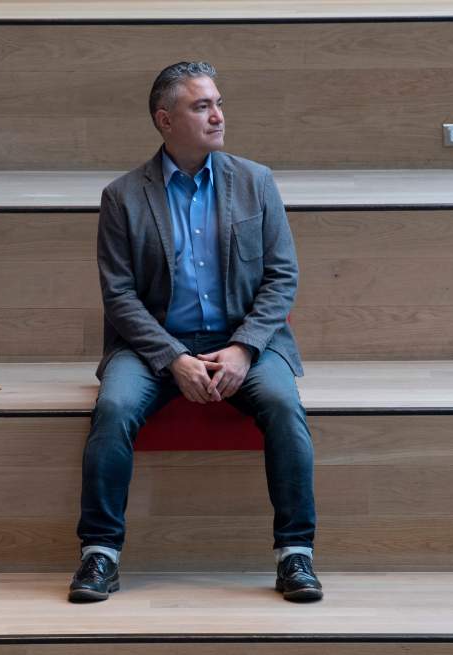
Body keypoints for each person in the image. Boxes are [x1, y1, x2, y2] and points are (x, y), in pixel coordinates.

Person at [69, 61, 321, 603]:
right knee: (112, 410)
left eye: (219, 103)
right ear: (164, 119)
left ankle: (295, 554)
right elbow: (119, 296)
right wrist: (173, 359)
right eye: (200, 106)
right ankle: (100, 554)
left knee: (283, 405)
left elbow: (282, 278)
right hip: (154, 344)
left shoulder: (256, 182)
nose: (217, 115)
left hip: (246, 339)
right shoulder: (122, 197)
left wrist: (245, 348)